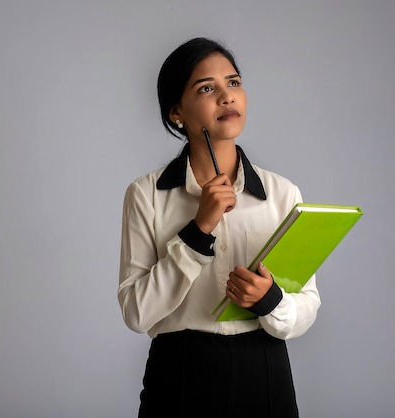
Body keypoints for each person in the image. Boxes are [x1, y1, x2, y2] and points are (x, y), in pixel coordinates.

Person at [118, 37, 321, 418]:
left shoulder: (282, 194)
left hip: (264, 371)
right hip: (179, 374)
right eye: (206, 88)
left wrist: (270, 301)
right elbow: (136, 312)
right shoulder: (145, 194)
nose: (227, 97)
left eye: (234, 82)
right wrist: (199, 229)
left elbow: (307, 304)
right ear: (176, 110)